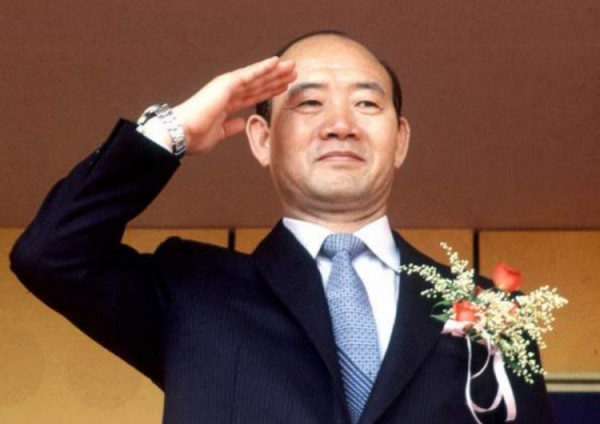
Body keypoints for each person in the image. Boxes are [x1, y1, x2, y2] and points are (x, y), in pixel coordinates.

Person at [10, 31, 553, 423]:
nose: (340, 125)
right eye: (309, 103)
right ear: (261, 139)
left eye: (367, 103)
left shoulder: (491, 313)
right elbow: (51, 254)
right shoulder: (193, 292)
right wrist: (173, 130)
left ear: (401, 140)